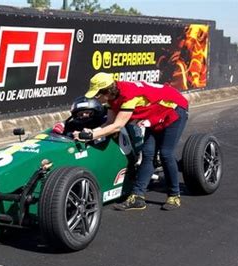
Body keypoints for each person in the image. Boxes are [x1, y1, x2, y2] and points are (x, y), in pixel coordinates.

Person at [73, 72, 189, 211]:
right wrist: (91, 132)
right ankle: (138, 197)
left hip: (173, 110)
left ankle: (174, 195)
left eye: (98, 94)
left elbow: (117, 126)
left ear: (107, 91)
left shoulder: (129, 96)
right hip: (153, 116)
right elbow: (110, 122)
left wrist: (90, 136)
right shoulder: (112, 99)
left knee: (165, 153)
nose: (96, 98)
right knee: (148, 154)